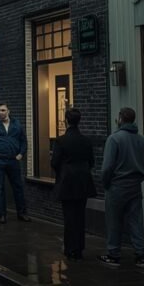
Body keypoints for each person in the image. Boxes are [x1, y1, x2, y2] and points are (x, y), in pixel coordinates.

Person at [99, 107, 144, 268]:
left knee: (114, 221)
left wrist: (106, 183)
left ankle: (113, 254)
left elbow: (107, 167)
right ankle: (141, 256)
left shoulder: (114, 139)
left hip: (117, 186)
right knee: (136, 221)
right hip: (135, 186)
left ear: (120, 119)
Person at [51, 108, 95, 261]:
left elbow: (54, 162)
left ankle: (70, 248)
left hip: (67, 181)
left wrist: (62, 172)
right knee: (80, 216)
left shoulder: (61, 140)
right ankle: (79, 248)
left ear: (66, 121)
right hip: (83, 181)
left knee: (69, 217)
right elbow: (91, 162)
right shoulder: (86, 140)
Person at [0, 102, 31, 224]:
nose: (0, 113)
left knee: (18, 187)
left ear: (8, 111)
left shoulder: (17, 124)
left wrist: (21, 153)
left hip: (13, 160)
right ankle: (2, 215)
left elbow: (23, 141)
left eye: (3, 110)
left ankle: (21, 213)